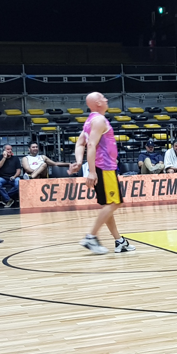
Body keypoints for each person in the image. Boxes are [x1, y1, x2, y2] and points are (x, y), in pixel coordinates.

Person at [68, 92, 136, 254]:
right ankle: (91, 237)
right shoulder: (99, 120)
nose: (106, 99)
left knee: (109, 204)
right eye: (103, 98)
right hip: (104, 168)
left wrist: (79, 161)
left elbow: (80, 143)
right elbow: (90, 145)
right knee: (115, 203)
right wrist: (91, 172)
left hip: (101, 168)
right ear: (98, 103)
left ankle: (119, 241)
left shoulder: (89, 121)